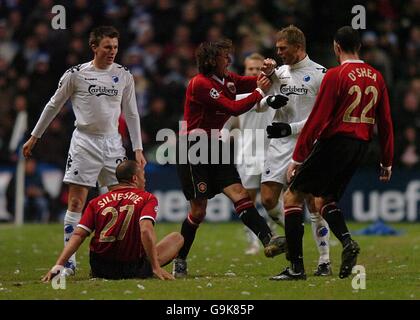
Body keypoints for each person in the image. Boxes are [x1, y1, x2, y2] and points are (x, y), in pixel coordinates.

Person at [271, 26, 394, 281]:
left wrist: (297, 158)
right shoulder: (376, 76)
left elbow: (317, 120)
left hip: (335, 142)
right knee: (324, 200)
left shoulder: (335, 75)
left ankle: (296, 268)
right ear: (358, 47)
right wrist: (387, 160)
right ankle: (348, 242)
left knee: (292, 197)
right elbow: (385, 121)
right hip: (361, 146)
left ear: (336, 47)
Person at [23, 26, 146, 276]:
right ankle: (68, 264)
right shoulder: (76, 74)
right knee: (77, 201)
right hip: (84, 143)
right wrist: (34, 136)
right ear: (94, 47)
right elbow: (53, 105)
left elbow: (131, 113)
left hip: (113, 144)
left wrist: (138, 148)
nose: (112, 52)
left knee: (122, 202)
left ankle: (118, 259)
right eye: (107, 47)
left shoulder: (123, 75)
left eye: (115, 47)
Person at [173, 38, 287, 278]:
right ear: (213, 59)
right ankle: (180, 259)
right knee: (198, 212)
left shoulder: (227, 80)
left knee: (240, 194)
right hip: (194, 148)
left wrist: (269, 71)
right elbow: (232, 108)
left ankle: (269, 239)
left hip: (216, 145)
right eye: (225, 56)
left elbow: (252, 82)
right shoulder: (200, 84)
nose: (229, 59)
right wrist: (259, 91)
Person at [258, 25, 332, 275]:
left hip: (306, 144)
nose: (278, 53)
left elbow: (323, 119)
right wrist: (267, 95)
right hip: (279, 144)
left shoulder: (322, 75)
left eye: (283, 48)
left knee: (312, 202)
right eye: (277, 48)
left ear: (298, 47)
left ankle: (324, 261)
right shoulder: (278, 73)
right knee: (268, 199)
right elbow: (257, 102)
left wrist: (290, 128)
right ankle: (292, 237)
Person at [42, 160, 183, 281]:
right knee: (177, 238)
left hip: (100, 268)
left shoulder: (96, 202)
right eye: (143, 176)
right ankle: (152, 267)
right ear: (134, 179)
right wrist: (155, 267)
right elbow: (145, 230)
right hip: (132, 267)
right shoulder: (147, 198)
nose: (144, 180)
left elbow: (78, 235)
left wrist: (59, 265)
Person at [230, 53, 277, 255]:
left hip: (273, 151)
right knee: (246, 201)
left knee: (273, 200)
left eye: (259, 69)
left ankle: (276, 235)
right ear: (245, 71)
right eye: (251, 69)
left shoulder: (274, 91)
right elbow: (232, 122)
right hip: (247, 153)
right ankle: (254, 241)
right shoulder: (238, 95)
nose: (256, 72)